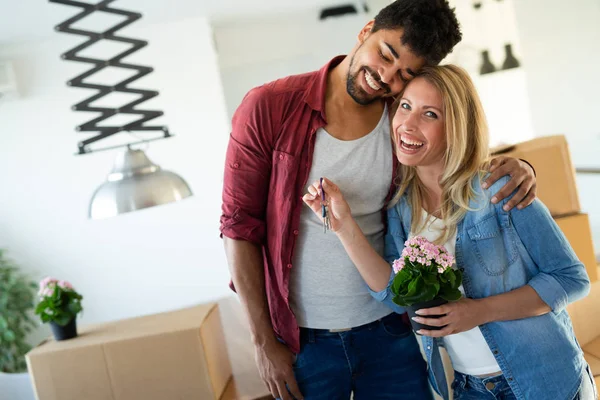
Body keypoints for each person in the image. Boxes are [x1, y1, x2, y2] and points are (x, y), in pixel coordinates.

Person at [220, 1, 538, 398]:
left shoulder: (402, 118)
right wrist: (263, 341)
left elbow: (455, 159)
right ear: (367, 29)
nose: (384, 77)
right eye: (384, 54)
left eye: (404, 74)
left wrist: (522, 165)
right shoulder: (269, 106)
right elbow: (238, 226)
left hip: (391, 331)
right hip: (303, 342)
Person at [302, 64, 596, 400]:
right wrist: (343, 225)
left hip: (544, 382)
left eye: (430, 114)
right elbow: (394, 294)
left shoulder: (498, 189)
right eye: (405, 107)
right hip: (470, 388)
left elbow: (571, 278)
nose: (407, 124)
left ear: (456, 127)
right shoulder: (401, 207)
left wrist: (479, 311)